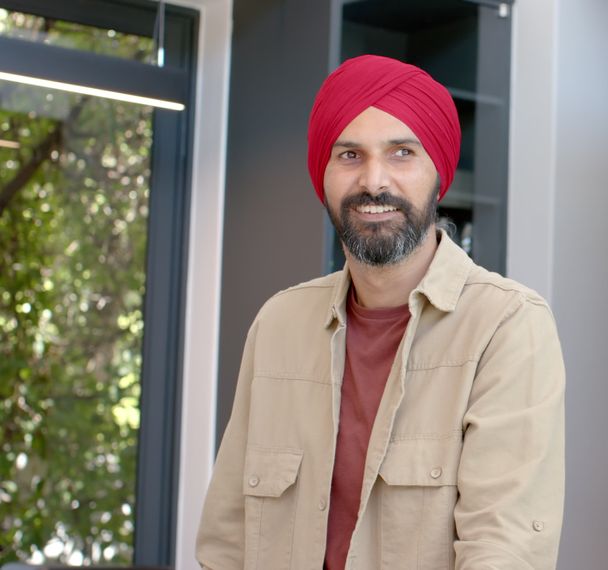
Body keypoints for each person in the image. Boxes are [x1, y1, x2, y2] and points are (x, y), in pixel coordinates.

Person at [195, 55, 565, 570]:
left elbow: (504, 548)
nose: (374, 181)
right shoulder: (279, 324)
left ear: (439, 174)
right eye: (349, 154)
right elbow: (226, 544)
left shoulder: (506, 325)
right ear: (322, 176)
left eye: (401, 153)